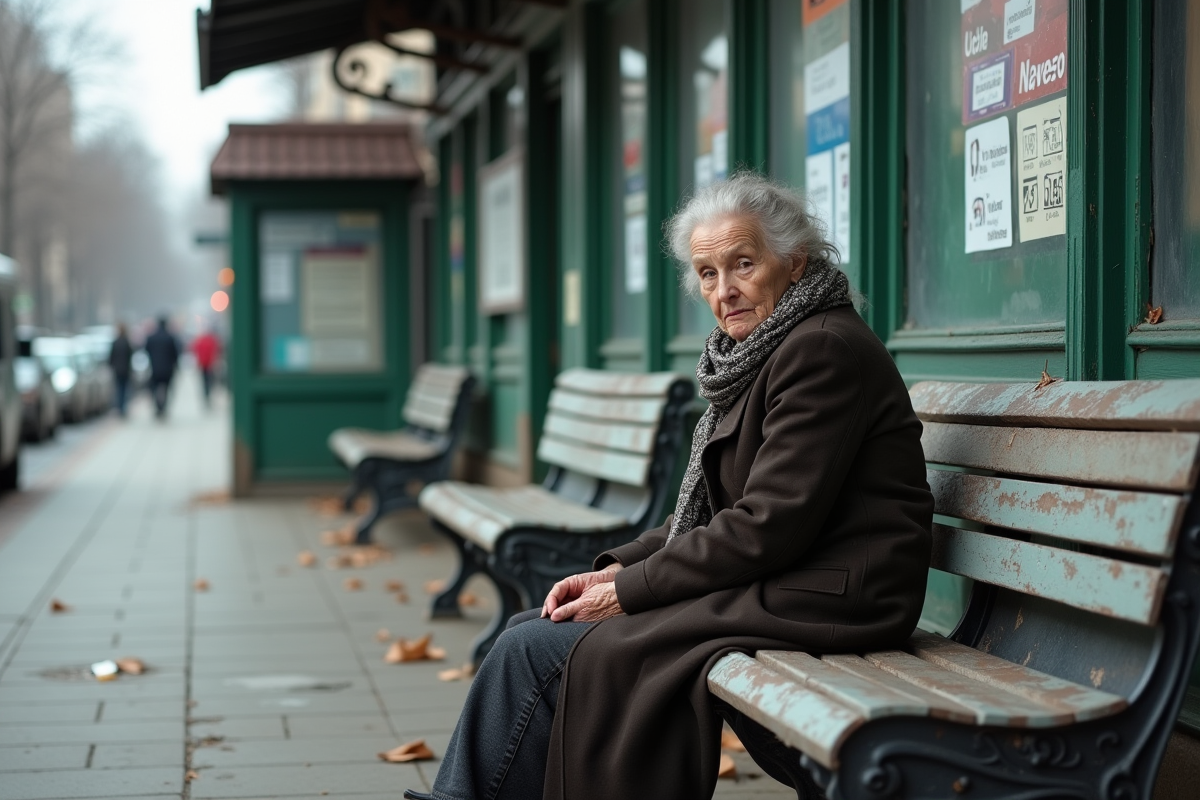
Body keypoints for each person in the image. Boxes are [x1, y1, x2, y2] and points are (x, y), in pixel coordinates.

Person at [404, 173, 934, 800]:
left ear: (793, 262)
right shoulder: (766, 350)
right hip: (784, 576)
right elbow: (712, 514)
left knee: (547, 654)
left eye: (743, 264)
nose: (725, 290)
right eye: (707, 274)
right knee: (527, 633)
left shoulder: (820, 350)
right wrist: (613, 574)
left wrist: (628, 594)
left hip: (830, 593)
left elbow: (766, 524)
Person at [144, 316, 179, 419]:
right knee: (166, 389)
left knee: (155, 389)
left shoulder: (152, 337)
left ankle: (158, 407)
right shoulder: (170, 337)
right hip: (168, 369)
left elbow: (147, 350)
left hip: (154, 368)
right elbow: (175, 354)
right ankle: (163, 407)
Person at [191, 326, 221, 408]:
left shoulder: (200, 341)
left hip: (203, 364)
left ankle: (206, 394)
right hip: (209, 365)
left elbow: (195, 351)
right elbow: (216, 351)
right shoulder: (212, 340)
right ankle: (208, 394)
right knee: (210, 381)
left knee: (204, 381)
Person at [108, 323, 133, 417]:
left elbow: (111, 357)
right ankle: (122, 408)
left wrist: (111, 366)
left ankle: (119, 407)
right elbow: (130, 356)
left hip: (117, 370)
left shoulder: (115, 342)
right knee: (124, 389)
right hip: (126, 370)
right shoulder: (127, 342)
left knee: (119, 389)